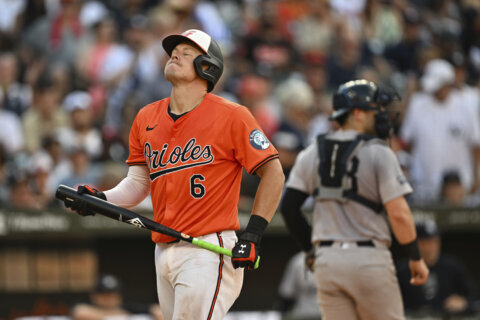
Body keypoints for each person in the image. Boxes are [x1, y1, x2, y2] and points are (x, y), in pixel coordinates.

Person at [62, 29, 284, 320]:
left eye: (186, 51)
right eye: (174, 50)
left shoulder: (233, 115)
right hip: (163, 249)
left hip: (207, 247)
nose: (175, 54)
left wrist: (253, 233)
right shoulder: (146, 117)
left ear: (208, 66)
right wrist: (100, 198)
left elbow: (274, 173)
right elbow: (138, 184)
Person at [281, 79, 429, 320]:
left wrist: (310, 249)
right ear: (358, 114)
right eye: (376, 109)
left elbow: (288, 208)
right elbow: (399, 213)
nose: (382, 115)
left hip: (328, 262)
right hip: (369, 259)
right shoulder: (380, 152)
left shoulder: (312, 151)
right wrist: (415, 257)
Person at [397, 219, 479, 317]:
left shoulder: (452, 266)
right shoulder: (403, 270)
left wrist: (463, 302)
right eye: (426, 242)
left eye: (434, 241)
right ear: (416, 243)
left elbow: (474, 297)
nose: (431, 247)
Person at [274, 251, 322, 320]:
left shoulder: (336, 259)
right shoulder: (298, 261)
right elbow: (286, 295)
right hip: (304, 315)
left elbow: (286, 296)